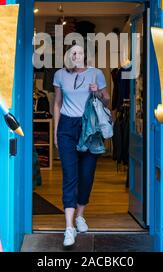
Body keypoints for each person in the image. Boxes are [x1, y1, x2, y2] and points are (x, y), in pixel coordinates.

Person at [53, 44, 110, 248]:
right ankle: (69, 227)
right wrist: (56, 132)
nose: (77, 56)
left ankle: (80, 216)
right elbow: (57, 103)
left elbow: (107, 101)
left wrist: (98, 93)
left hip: (89, 128)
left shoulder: (96, 74)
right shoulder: (60, 75)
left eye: (81, 52)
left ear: (86, 56)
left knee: (86, 175)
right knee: (70, 175)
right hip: (67, 127)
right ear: (69, 55)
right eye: (73, 52)